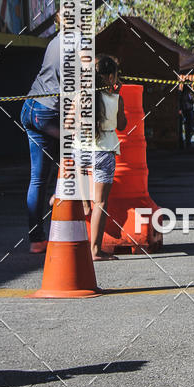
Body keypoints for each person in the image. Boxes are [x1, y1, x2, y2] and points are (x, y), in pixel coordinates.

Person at [75, 55, 126, 260]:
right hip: (104, 151)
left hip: (81, 149)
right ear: (112, 76)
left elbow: (73, 122)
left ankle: (84, 201)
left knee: (80, 166)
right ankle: (95, 250)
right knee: (101, 203)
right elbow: (121, 125)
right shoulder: (116, 99)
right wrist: (117, 96)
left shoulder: (81, 97)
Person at [20, 12, 61, 253]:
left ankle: (37, 240)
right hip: (46, 112)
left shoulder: (54, 41)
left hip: (30, 106)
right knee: (80, 144)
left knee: (37, 178)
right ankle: (60, 194)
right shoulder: (78, 44)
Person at [179, 77, 194, 149]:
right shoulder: (185, 94)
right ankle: (187, 142)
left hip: (189, 110)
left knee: (189, 127)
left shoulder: (188, 93)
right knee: (188, 127)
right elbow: (187, 101)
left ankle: (188, 141)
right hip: (187, 111)